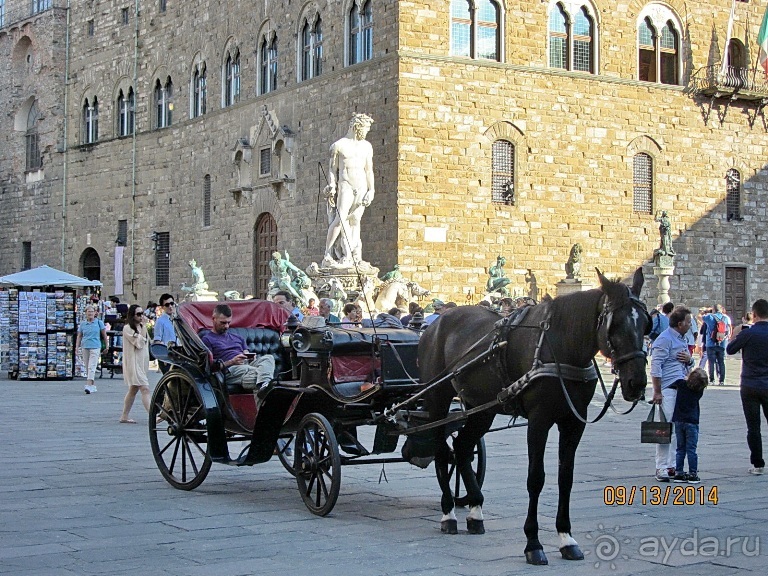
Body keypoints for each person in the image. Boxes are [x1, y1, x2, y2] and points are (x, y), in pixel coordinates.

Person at [322, 113, 375, 267]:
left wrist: (371, 190)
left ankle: (353, 255)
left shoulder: (367, 146)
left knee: (355, 220)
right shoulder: (338, 146)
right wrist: (332, 185)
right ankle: (328, 254)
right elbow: (332, 170)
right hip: (345, 184)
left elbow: (369, 170)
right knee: (340, 219)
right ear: (356, 126)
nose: (366, 132)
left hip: (361, 185)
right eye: (365, 129)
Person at [650, 306, 694, 482]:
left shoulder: (682, 339)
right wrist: (657, 391)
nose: (691, 325)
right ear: (680, 323)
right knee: (665, 429)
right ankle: (661, 467)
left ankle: (672, 465)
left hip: (681, 388)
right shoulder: (664, 339)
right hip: (668, 389)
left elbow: (688, 365)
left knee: (678, 429)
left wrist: (690, 360)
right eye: (689, 322)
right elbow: (656, 366)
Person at [726, 298, 768, 475]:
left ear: (754, 314)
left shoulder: (748, 333)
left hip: (749, 384)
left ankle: (758, 464)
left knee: (753, 427)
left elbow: (730, 350)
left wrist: (737, 334)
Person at [201, 304, 276, 400]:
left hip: (245, 364)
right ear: (213, 319)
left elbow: (246, 352)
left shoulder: (238, 338)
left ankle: (263, 384)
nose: (227, 326)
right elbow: (209, 366)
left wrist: (249, 356)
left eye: (228, 322)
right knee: (256, 373)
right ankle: (264, 385)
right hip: (230, 368)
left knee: (268, 358)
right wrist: (232, 361)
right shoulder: (207, 339)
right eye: (223, 323)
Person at [671, 367, 707, 483]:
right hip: (692, 421)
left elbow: (674, 382)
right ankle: (692, 473)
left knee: (680, 449)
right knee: (691, 449)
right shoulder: (699, 391)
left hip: (679, 420)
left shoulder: (681, 384)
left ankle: (679, 473)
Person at [120, 304, 152, 424]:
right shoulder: (128, 328)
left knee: (133, 389)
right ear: (132, 315)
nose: (141, 316)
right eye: (138, 314)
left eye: (142, 313)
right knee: (145, 388)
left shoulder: (141, 326)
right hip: (133, 363)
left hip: (141, 362)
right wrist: (144, 328)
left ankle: (124, 415)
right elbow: (139, 343)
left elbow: (147, 343)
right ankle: (152, 414)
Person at [76, 305, 107, 394]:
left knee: (92, 366)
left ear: (95, 313)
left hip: (95, 346)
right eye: (88, 311)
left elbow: (104, 335)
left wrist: (107, 346)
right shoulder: (83, 324)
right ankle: (92, 385)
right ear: (86, 313)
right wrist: (77, 347)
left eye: (91, 311)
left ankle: (88, 385)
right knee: (87, 367)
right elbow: (79, 336)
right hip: (85, 346)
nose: (90, 313)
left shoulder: (99, 323)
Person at [700, 304, 732, 385]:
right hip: (721, 342)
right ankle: (721, 380)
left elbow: (701, 316)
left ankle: (712, 380)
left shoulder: (710, 317)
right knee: (721, 362)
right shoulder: (725, 318)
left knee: (711, 362)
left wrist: (707, 310)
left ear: (713, 310)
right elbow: (728, 328)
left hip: (710, 343)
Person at [152, 293, 178, 374]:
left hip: (178, 355)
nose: (170, 306)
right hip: (167, 357)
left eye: (172, 303)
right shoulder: (160, 321)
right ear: (163, 307)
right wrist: (163, 357)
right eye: (167, 305)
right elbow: (157, 341)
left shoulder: (177, 319)